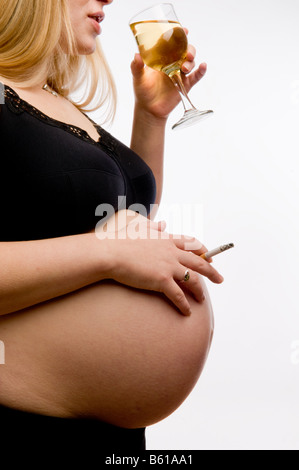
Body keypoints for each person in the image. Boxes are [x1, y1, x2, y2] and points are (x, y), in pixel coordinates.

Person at [0, 0, 224, 454]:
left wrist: (152, 117)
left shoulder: (61, 104)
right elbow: (113, 243)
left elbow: (126, 219)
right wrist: (110, 252)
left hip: (105, 434)